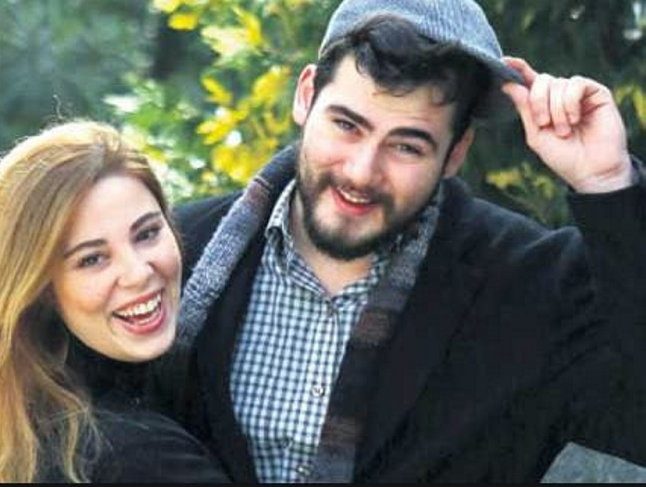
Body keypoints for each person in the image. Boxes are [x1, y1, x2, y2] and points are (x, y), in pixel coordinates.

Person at [167, 0, 646, 483]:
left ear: (455, 152)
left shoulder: (531, 287)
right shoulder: (174, 254)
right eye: (346, 125)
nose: (362, 172)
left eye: (406, 146)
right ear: (306, 95)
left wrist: (608, 184)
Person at [0, 121, 230, 483]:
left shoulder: (28, 426)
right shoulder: (128, 457)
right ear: (41, 288)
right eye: (92, 259)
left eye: (147, 233)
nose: (137, 272)